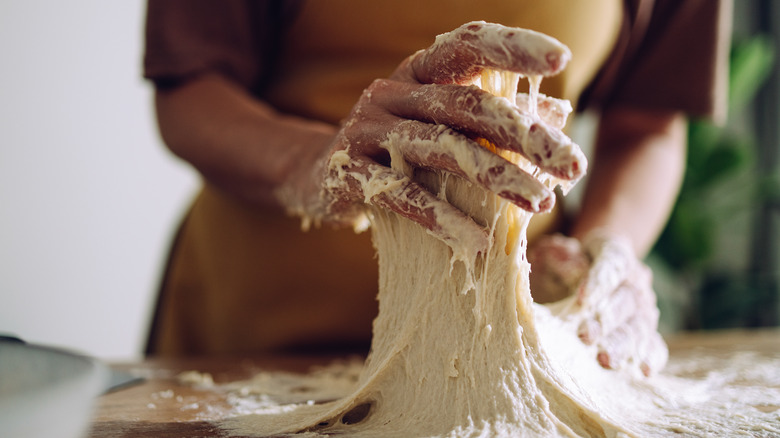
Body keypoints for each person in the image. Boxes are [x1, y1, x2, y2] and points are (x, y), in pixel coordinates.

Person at [142, 0, 730, 375]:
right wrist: (317, 163)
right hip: (252, 330)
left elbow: (647, 123)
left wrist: (606, 244)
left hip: (502, 335)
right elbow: (191, 88)